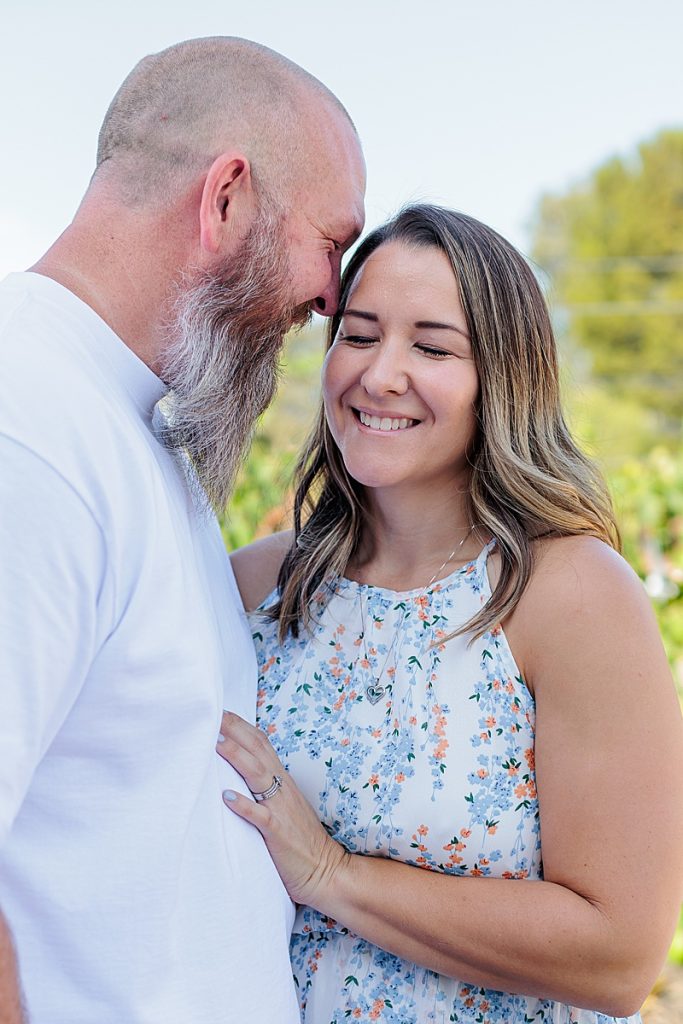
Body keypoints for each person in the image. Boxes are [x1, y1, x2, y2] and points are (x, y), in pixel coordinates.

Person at [219, 204, 683, 1024]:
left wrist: (331, 874)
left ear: (500, 380)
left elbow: (618, 955)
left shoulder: (568, 594)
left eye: (431, 347)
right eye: (358, 335)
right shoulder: (259, 584)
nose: (380, 373)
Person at [0, 36, 365, 1024]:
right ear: (226, 198)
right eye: (332, 246)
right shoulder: (27, 428)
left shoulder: (132, 424)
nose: (334, 302)